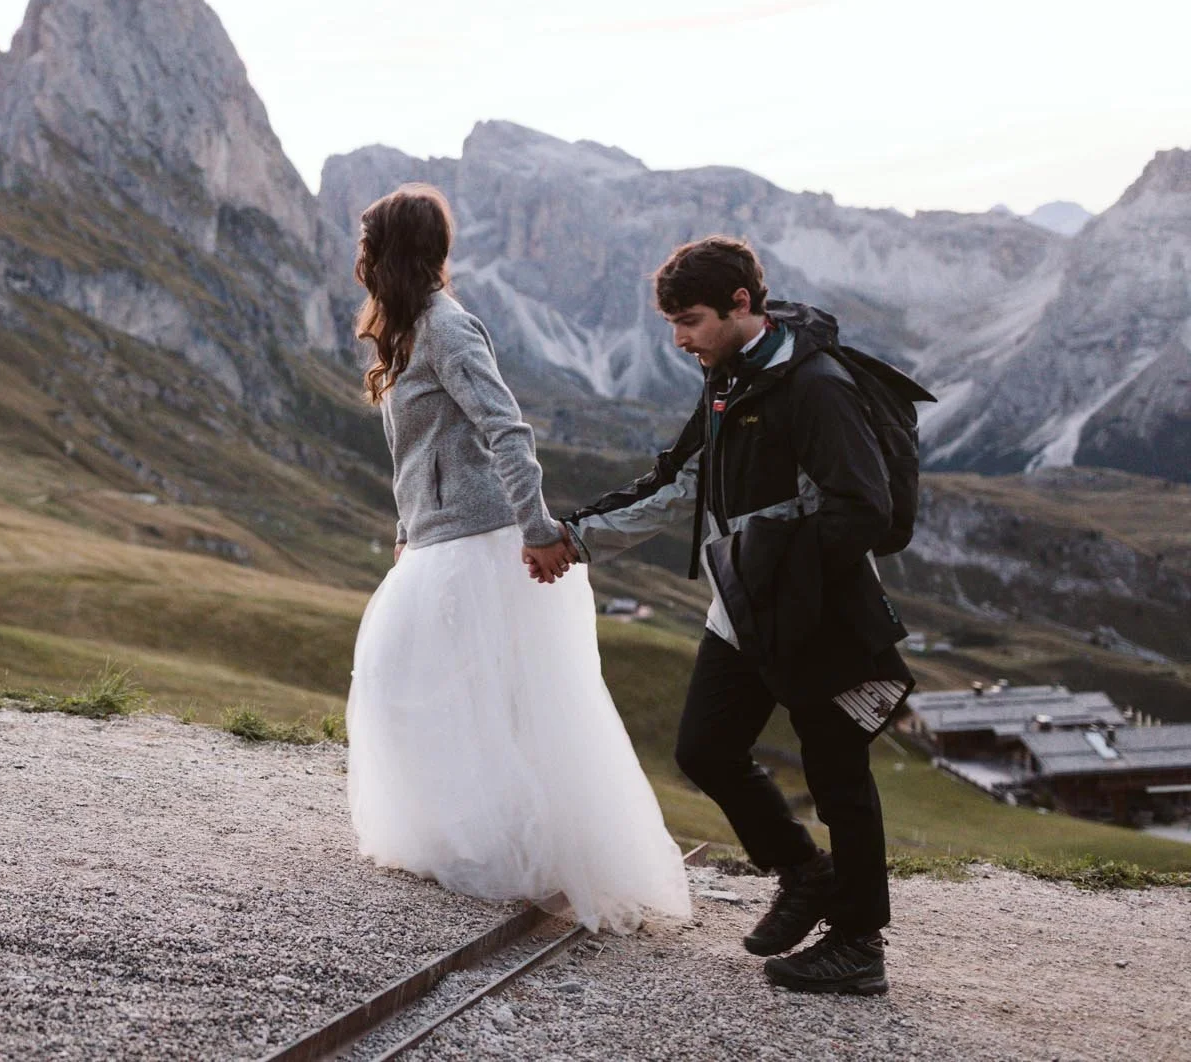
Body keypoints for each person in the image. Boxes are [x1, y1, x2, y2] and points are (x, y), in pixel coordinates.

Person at [534, 235, 914, 996]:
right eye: (671, 322)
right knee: (706, 749)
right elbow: (680, 484)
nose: (679, 339)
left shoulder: (817, 388)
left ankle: (859, 945)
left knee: (838, 773)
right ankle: (805, 872)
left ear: (744, 305)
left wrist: (779, 565)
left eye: (692, 320)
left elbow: (865, 508)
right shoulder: (726, 377)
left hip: (816, 608)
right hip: (744, 606)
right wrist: (573, 537)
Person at [345, 183, 690, 933]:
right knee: (411, 683)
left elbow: (508, 431)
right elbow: (418, 453)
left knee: (465, 694)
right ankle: (457, 837)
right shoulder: (406, 332)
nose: (359, 259)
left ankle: (507, 853)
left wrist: (536, 531)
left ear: (395, 253)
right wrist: (408, 527)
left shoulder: (448, 328)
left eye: (368, 245)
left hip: (482, 541)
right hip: (434, 540)